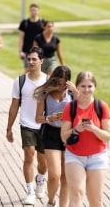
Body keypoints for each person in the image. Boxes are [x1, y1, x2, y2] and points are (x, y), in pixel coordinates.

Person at [60, 71, 110, 207]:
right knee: (77, 193)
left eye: (90, 86)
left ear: (95, 87)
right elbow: (63, 136)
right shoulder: (70, 107)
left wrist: (94, 129)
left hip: (97, 157)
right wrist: (76, 129)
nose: (86, 90)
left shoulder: (101, 106)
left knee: (96, 200)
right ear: (77, 87)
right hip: (74, 156)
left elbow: (108, 135)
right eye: (83, 86)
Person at [6, 46, 48, 205]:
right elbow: (14, 105)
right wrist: (9, 128)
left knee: (43, 162)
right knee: (29, 155)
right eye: (28, 59)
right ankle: (30, 191)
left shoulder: (47, 81)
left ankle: (40, 179)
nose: (30, 62)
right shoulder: (20, 81)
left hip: (43, 126)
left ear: (41, 61)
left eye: (34, 59)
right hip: (27, 124)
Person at [34, 65, 77, 207]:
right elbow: (38, 118)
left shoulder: (71, 94)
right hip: (51, 134)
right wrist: (49, 118)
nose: (60, 87)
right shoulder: (45, 94)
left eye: (64, 84)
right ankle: (51, 202)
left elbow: (83, 109)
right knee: (55, 175)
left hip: (68, 135)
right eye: (58, 84)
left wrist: (76, 91)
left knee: (66, 178)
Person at [18, 3, 45, 69]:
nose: (34, 12)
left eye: (35, 10)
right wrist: (20, 51)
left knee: (39, 70)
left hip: (39, 51)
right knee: (28, 70)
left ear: (38, 11)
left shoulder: (42, 23)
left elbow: (44, 38)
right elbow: (21, 38)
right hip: (27, 50)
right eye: (32, 10)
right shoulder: (24, 23)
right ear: (29, 11)